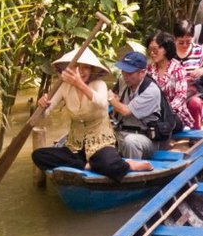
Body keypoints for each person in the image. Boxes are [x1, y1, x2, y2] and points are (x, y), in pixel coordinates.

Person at [31, 48, 151, 181]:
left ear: (91, 70)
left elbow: (103, 104)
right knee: (38, 155)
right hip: (75, 146)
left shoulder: (99, 84)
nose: (81, 72)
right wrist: (42, 105)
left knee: (113, 167)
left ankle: (128, 165)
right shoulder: (64, 86)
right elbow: (46, 112)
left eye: (86, 68)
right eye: (77, 67)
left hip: (100, 144)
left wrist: (80, 84)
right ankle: (88, 166)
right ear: (71, 68)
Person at [109, 51, 163, 160]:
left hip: (145, 139)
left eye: (129, 73)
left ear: (142, 72)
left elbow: (125, 111)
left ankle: (133, 173)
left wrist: (111, 99)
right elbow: (115, 96)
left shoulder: (151, 91)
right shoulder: (122, 80)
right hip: (120, 131)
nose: (125, 76)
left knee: (131, 141)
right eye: (123, 72)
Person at [173, 19, 203, 130]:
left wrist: (202, 70)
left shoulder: (199, 50)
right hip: (172, 90)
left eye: (188, 42)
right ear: (174, 39)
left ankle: (195, 133)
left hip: (192, 91)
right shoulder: (168, 51)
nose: (185, 45)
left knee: (196, 103)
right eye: (181, 42)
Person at [145, 30, 195, 131]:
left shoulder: (178, 70)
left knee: (166, 122)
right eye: (150, 50)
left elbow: (180, 96)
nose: (152, 53)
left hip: (175, 114)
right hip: (152, 112)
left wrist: (163, 111)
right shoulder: (148, 69)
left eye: (155, 50)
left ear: (166, 49)